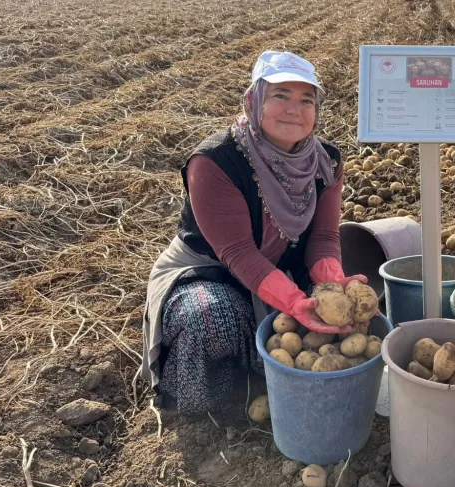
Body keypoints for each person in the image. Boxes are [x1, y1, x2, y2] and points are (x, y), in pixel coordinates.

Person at [140, 51, 365, 414]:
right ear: (253, 100)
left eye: (306, 100)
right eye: (280, 96)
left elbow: (324, 238)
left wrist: (331, 284)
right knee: (211, 318)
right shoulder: (215, 161)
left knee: (346, 320)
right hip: (212, 271)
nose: (294, 109)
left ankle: (284, 381)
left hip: (284, 267)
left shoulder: (326, 161)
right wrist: (294, 302)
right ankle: (214, 403)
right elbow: (238, 253)